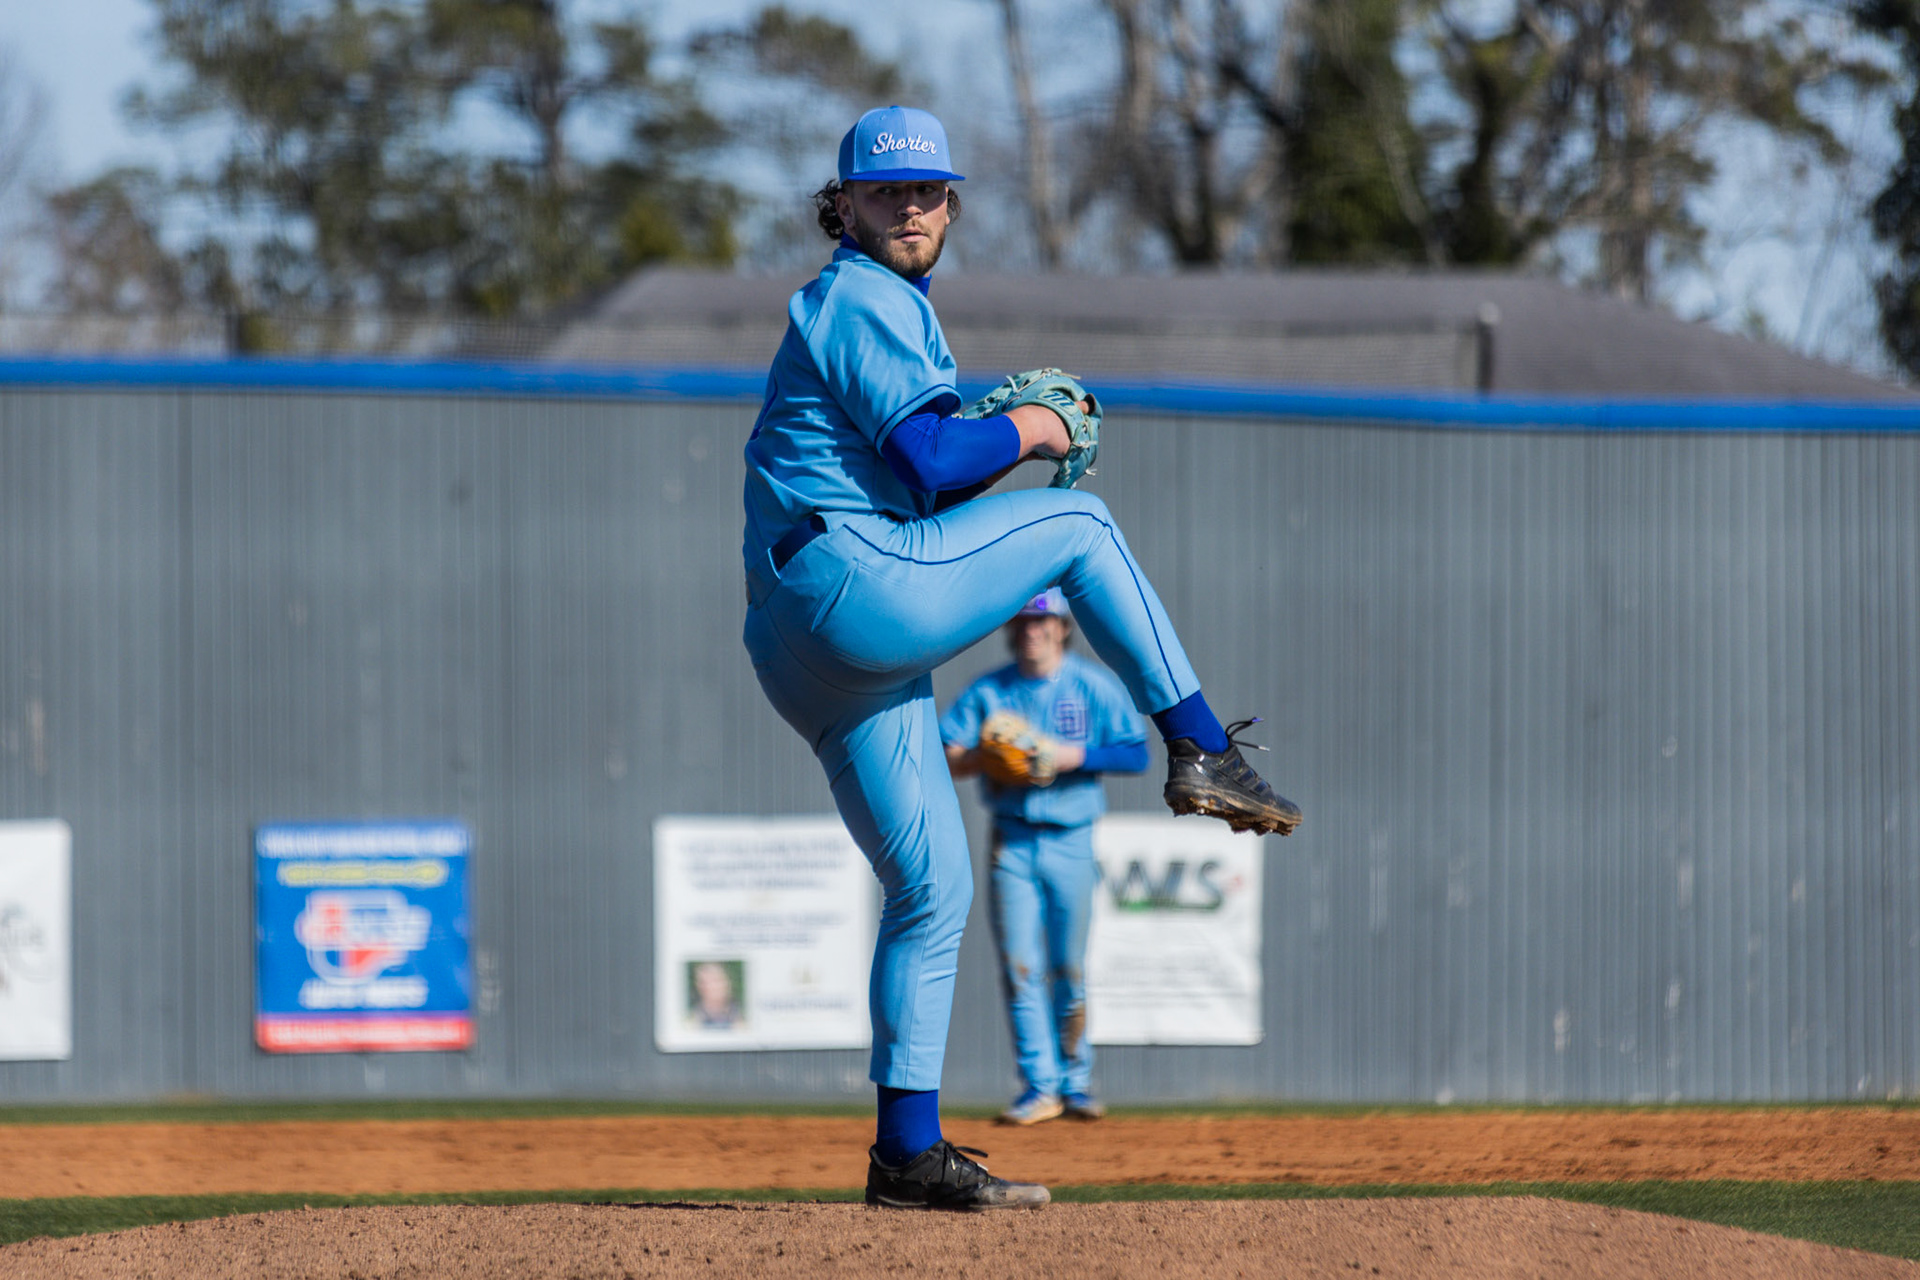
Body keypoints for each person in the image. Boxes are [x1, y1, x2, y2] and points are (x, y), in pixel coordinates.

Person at [740, 104, 1302, 1212]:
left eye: (927, 190)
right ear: (842, 206)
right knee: (1082, 526)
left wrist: (994, 445)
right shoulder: (861, 294)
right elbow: (933, 456)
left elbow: (930, 478)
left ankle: (906, 1153)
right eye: (886, 190)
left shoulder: (872, 306)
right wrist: (1037, 430)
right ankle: (1201, 746)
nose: (909, 207)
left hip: (807, 635)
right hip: (850, 578)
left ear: (951, 205)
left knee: (932, 888)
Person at [941, 589, 1147, 1126]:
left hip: (1071, 836)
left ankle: (1076, 1082)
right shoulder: (991, 690)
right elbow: (947, 753)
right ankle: (1040, 1086)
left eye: (1043, 621)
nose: (1033, 630)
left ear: (1062, 627)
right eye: (1023, 622)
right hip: (1011, 838)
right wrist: (987, 758)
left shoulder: (1092, 685)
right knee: (1020, 966)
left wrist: (1068, 755)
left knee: (1067, 965)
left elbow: (1136, 752)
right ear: (1010, 630)